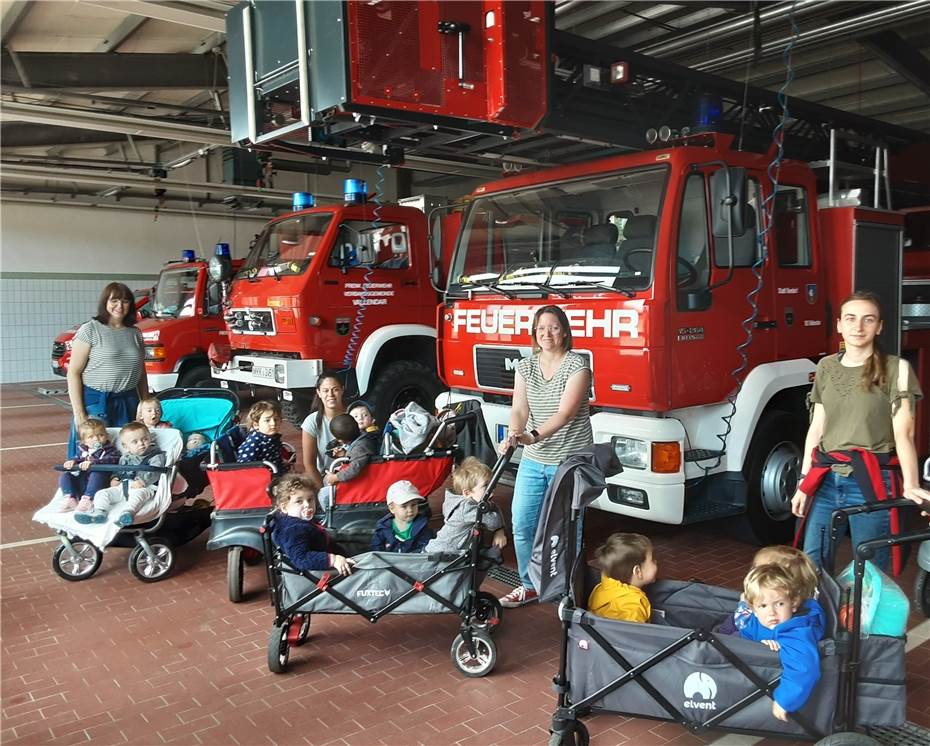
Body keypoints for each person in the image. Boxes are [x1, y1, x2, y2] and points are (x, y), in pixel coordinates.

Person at [791, 291, 928, 574]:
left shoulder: (897, 369)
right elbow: (817, 427)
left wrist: (911, 483)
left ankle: (862, 619)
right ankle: (820, 619)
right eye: (851, 319)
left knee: (869, 568)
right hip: (827, 479)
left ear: (879, 327)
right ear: (839, 324)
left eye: (868, 320)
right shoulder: (826, 366)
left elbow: (905, 433)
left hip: (869, 481)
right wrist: (803, 481)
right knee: (812, 564)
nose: (859, 327)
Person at [498, 305, 593, 607]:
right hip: (534, 459)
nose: (547, 333)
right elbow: (519, 410)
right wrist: (514, 434)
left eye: (553, 327)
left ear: (564, 331)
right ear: (534, 334)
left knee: (566, 528)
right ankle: (530, 584)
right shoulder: (526, 366)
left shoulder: (577, 365)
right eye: (541, 328)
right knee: (523, 524)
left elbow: (565, 413)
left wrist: (532, 436)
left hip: (569, 460)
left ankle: (567, 588)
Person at [66, 282, 149, 458]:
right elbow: (73, 373)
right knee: (91, 456)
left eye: (125, 301)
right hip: (96, 403)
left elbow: (141, 372)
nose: (120, 306)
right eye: (115, 300)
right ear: (105, 302)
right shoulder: (90, 329)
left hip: (129, 402)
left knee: (127, 454)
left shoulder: (135, 333)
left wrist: (145, 403)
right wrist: (80, 414)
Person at [738, 563, 826, 722]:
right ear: (754, 610)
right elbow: (748, 627)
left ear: (793, 603)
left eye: (779, 604)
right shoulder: (762, 619)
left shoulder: (795, 632)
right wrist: (760, 642)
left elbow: (804, 668)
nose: (771, 612)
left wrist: (784, 700)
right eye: (763, 606)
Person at [74, 421, 166, 526]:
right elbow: (119, 470)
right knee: (102, 494)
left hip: (145, 487)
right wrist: (116, 477)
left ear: (150, 439)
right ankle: (100, 512)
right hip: (123, 486)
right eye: (135, 442)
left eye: (145, 439)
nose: (141, 443)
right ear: (125, 446)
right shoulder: (125, 457)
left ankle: (127, 513)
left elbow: (155, 471)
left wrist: (143, 481)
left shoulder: (156, 456)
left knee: (137, 497)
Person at [718, 545, 819, 635]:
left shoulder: (779, 620)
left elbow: (743, 630)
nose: (752, 574)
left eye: (760, 572)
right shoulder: (784, 605)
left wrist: (744, 604)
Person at [270, 475, 354, 575]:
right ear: (284, 508)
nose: (307, 505)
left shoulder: (297, 521)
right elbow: (302, 558)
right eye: (299, 501)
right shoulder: (293, 530)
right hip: (321, 573)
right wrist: (334, 559)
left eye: (310, 499)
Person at [424, 457, 507, 554]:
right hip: (441, 554)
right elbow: (493, 521)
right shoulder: (467, 509)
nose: (491, 491)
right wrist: (499, 530)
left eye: (492, 486)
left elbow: (493, 507)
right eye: (485, 486)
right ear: (467, 493)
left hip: (439, 549)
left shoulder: (458, 501)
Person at [587, 533, 658, 623]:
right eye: (652, 560)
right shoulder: (633, 607)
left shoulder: (603, 587)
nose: (656, 561)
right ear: (637, 571)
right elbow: (637, 634)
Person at [317, 414, 379, 513]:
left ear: (340, 440)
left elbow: (354, 468)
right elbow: (358, 458)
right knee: (326, 480)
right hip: (359, 479)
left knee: (324, 494)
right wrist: (344, 454)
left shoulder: (361, 447)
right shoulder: (362, 438)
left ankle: (329, 516)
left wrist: (336, 477)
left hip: (361, 484)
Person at [56, 418, 119, 513]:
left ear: (107, 436)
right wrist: (72, 462)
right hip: (83, 483)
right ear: (84, 441)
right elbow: (77, 458)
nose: (96, 439)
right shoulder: (82, 451)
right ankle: (70, 498)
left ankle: (88, 499)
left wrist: (94, 462)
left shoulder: (111, 451)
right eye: (91, 437)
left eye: (100, 435)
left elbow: (113, 459)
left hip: (99, 485)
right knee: (65, 475)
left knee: (96, 473)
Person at [301, 373, 347, 489]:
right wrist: (323, 492)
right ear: (319, 393)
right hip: (324, 478)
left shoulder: (355, 415)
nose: (330, 394)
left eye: (335, 389)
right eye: (325, 391)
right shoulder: (312, 422)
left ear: (342, 390)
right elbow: (309, 464)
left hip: (351, 473)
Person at [370, 480, 435, 553]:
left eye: (413, 505)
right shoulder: (382, 528)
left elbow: (426, 547)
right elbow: (376, 549)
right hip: (388, 563)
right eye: (404, 506)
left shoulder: (422, 526)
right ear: (392, 508)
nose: (410, 510)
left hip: (414, 562)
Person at [236, 400, 286, 471]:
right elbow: (244, 466)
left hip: (276, 471)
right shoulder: (253, 442)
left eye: (276, 419)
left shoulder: (273, 438)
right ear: (256, 424)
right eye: (267, 420)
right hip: (262, 477)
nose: (273, 423)